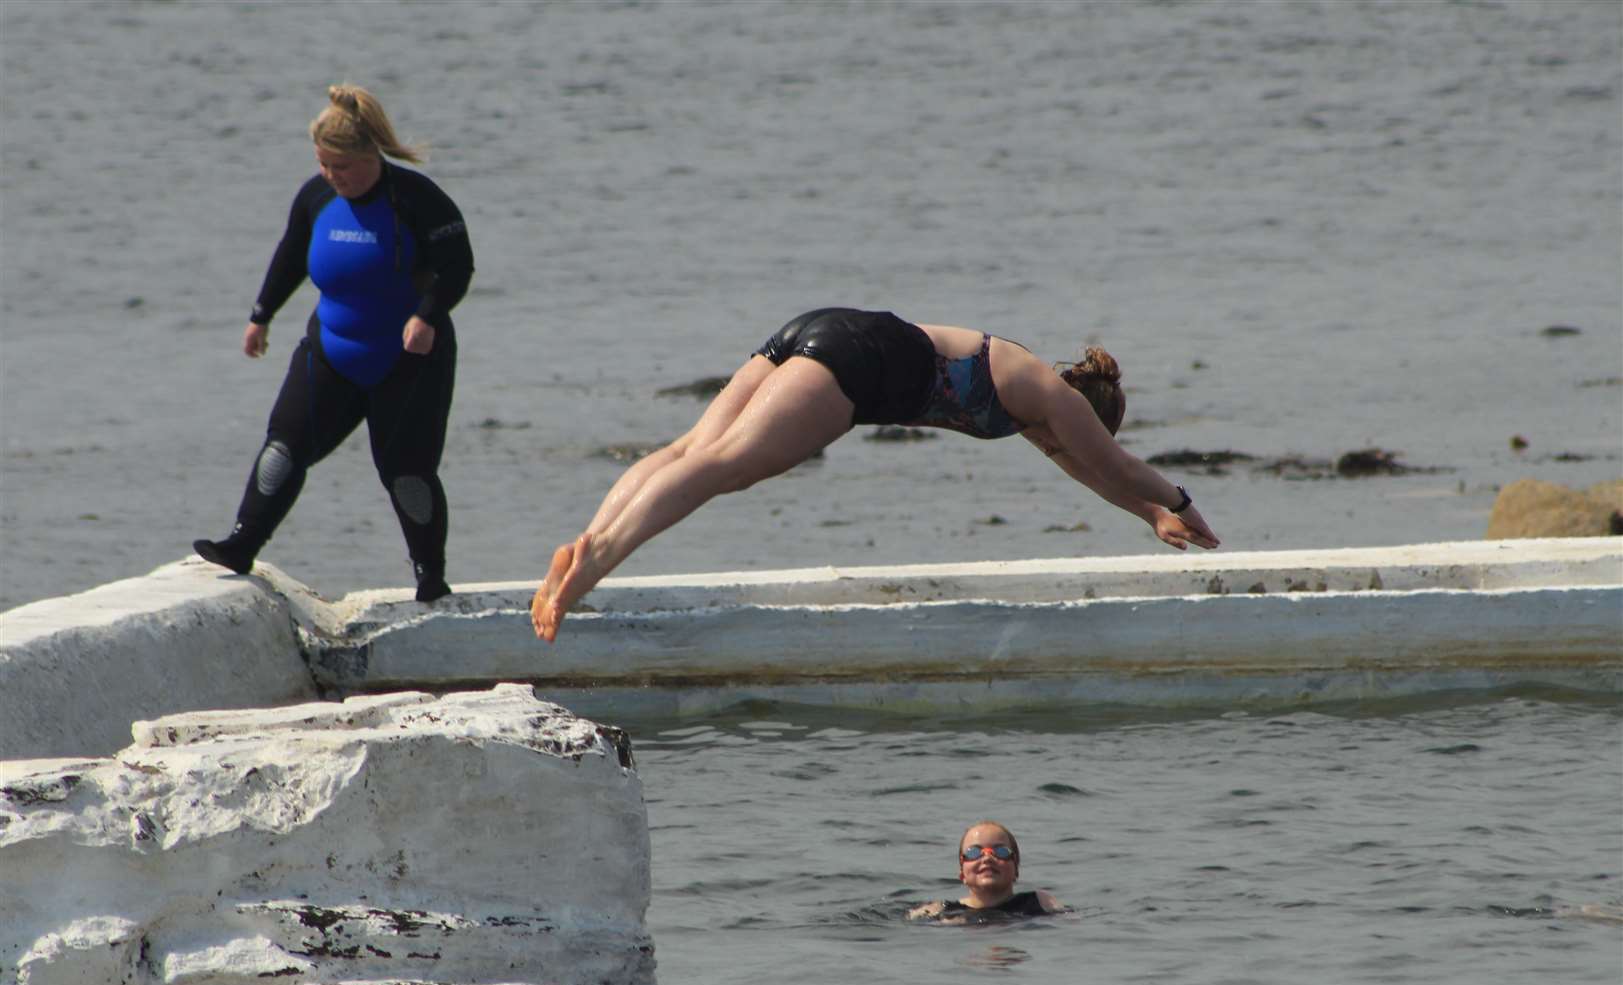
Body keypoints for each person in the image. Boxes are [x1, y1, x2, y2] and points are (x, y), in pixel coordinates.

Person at [530, 307, 1219, 640]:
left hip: (822, 328)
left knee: (691, 450)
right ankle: (593, 565)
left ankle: (589, 542)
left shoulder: (1033, 399)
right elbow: (1111, 462)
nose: (1062, 446)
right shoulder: (1054, 401)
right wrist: (1180, 499)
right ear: (1090, 412)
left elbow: (1091, 472)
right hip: (864, 365)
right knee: (725, 467)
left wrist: (1147, 516)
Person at [193, 84, 474, 602]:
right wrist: (262, 316)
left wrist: (428, 316)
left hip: (409, 357)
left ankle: (429, 577)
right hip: (333, 348)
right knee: (283, 447)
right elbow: (292, 254)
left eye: (341, 166)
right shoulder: (316, 197)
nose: (331, 176)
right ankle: (241, 545)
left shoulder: (416, 199)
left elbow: (458, 266)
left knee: (406, 472)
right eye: (323, 164)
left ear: (370, 156)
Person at [907, 820, 1065, 920]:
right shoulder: (943, 912)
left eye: (1001, 851)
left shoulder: (1041, 902)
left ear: (1016, 867)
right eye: (974, 853)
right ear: (962, 872)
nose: (987, 858)